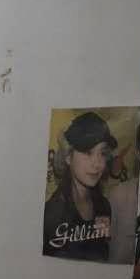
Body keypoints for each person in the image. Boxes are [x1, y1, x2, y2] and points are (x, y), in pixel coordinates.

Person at [44, 111, 118, 262]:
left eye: (102, 153)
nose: (97, 164)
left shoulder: (103, 206)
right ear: (68, 156)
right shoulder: (52, 214)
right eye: (88, 152)